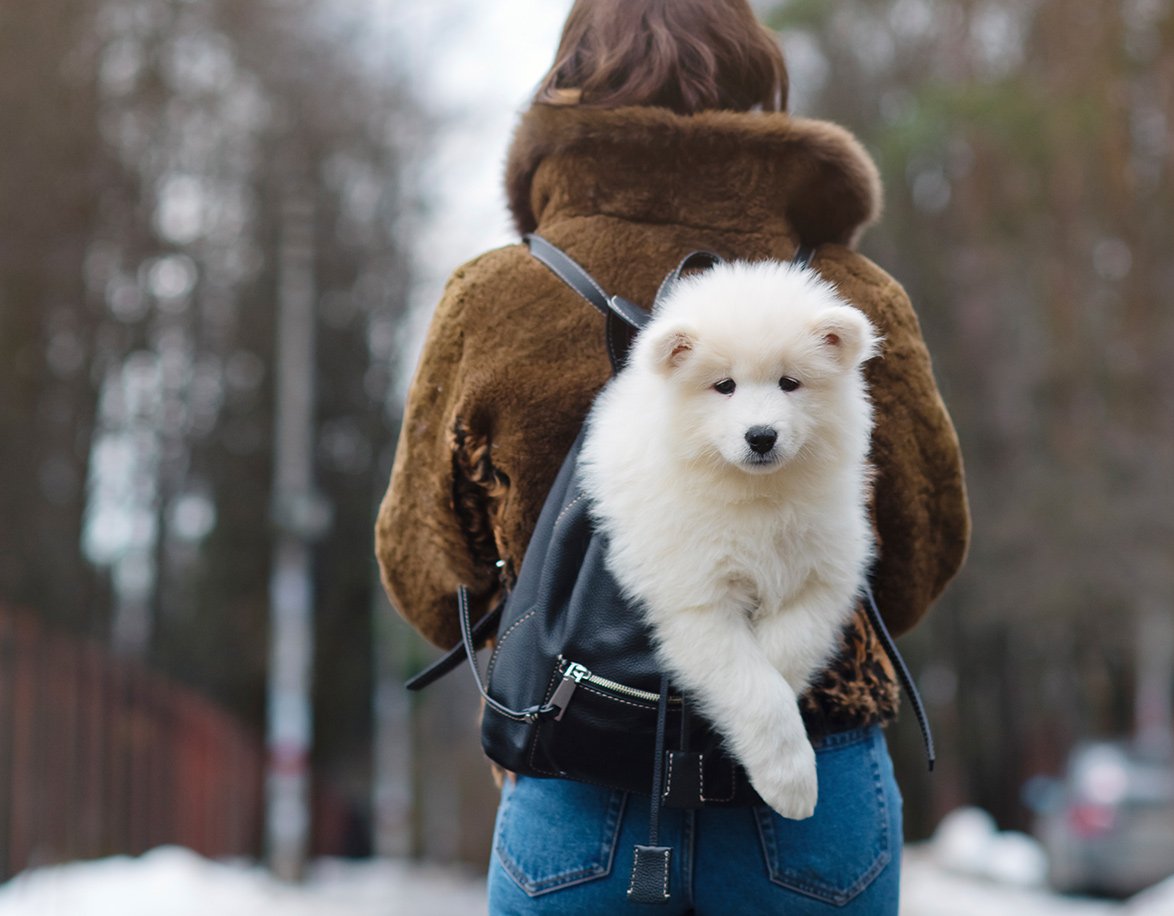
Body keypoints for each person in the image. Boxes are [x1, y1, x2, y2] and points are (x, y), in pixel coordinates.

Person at [374, 0, 969, 911]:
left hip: (577, 783)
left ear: (569, 84)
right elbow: (921, 549)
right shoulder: (847, 298)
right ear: (756, 80)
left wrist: (550, 630)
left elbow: (427, 569)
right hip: (810, 796)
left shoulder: (494, 298)